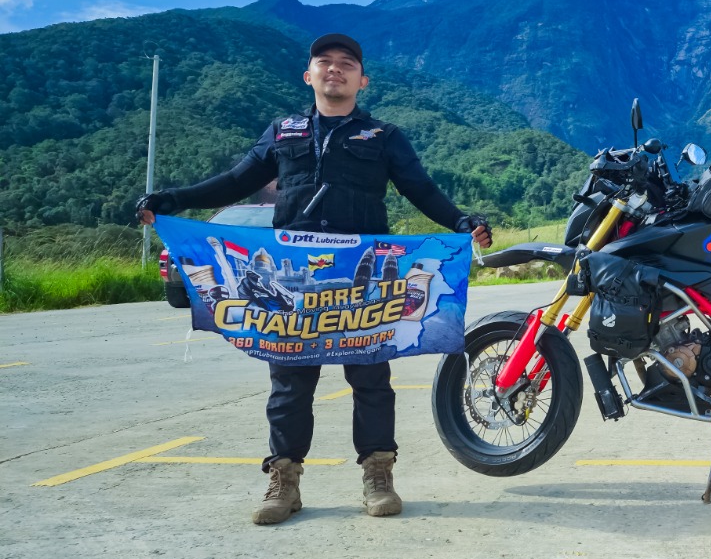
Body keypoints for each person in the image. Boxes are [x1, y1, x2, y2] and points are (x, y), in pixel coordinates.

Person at [136, 33, 492, 526]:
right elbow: (237, 179)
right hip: (293, 277)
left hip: (365, 279)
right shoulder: (283, 131)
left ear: (361, 80)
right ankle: (284, 480)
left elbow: (420, 189)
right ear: (309, 75)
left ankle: (378, 475)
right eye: (324, 62)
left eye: (347, 64)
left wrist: (459, 223)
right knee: (289, 382)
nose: (335, 69)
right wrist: (172, 200)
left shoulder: (384, 137)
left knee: (370, 378)